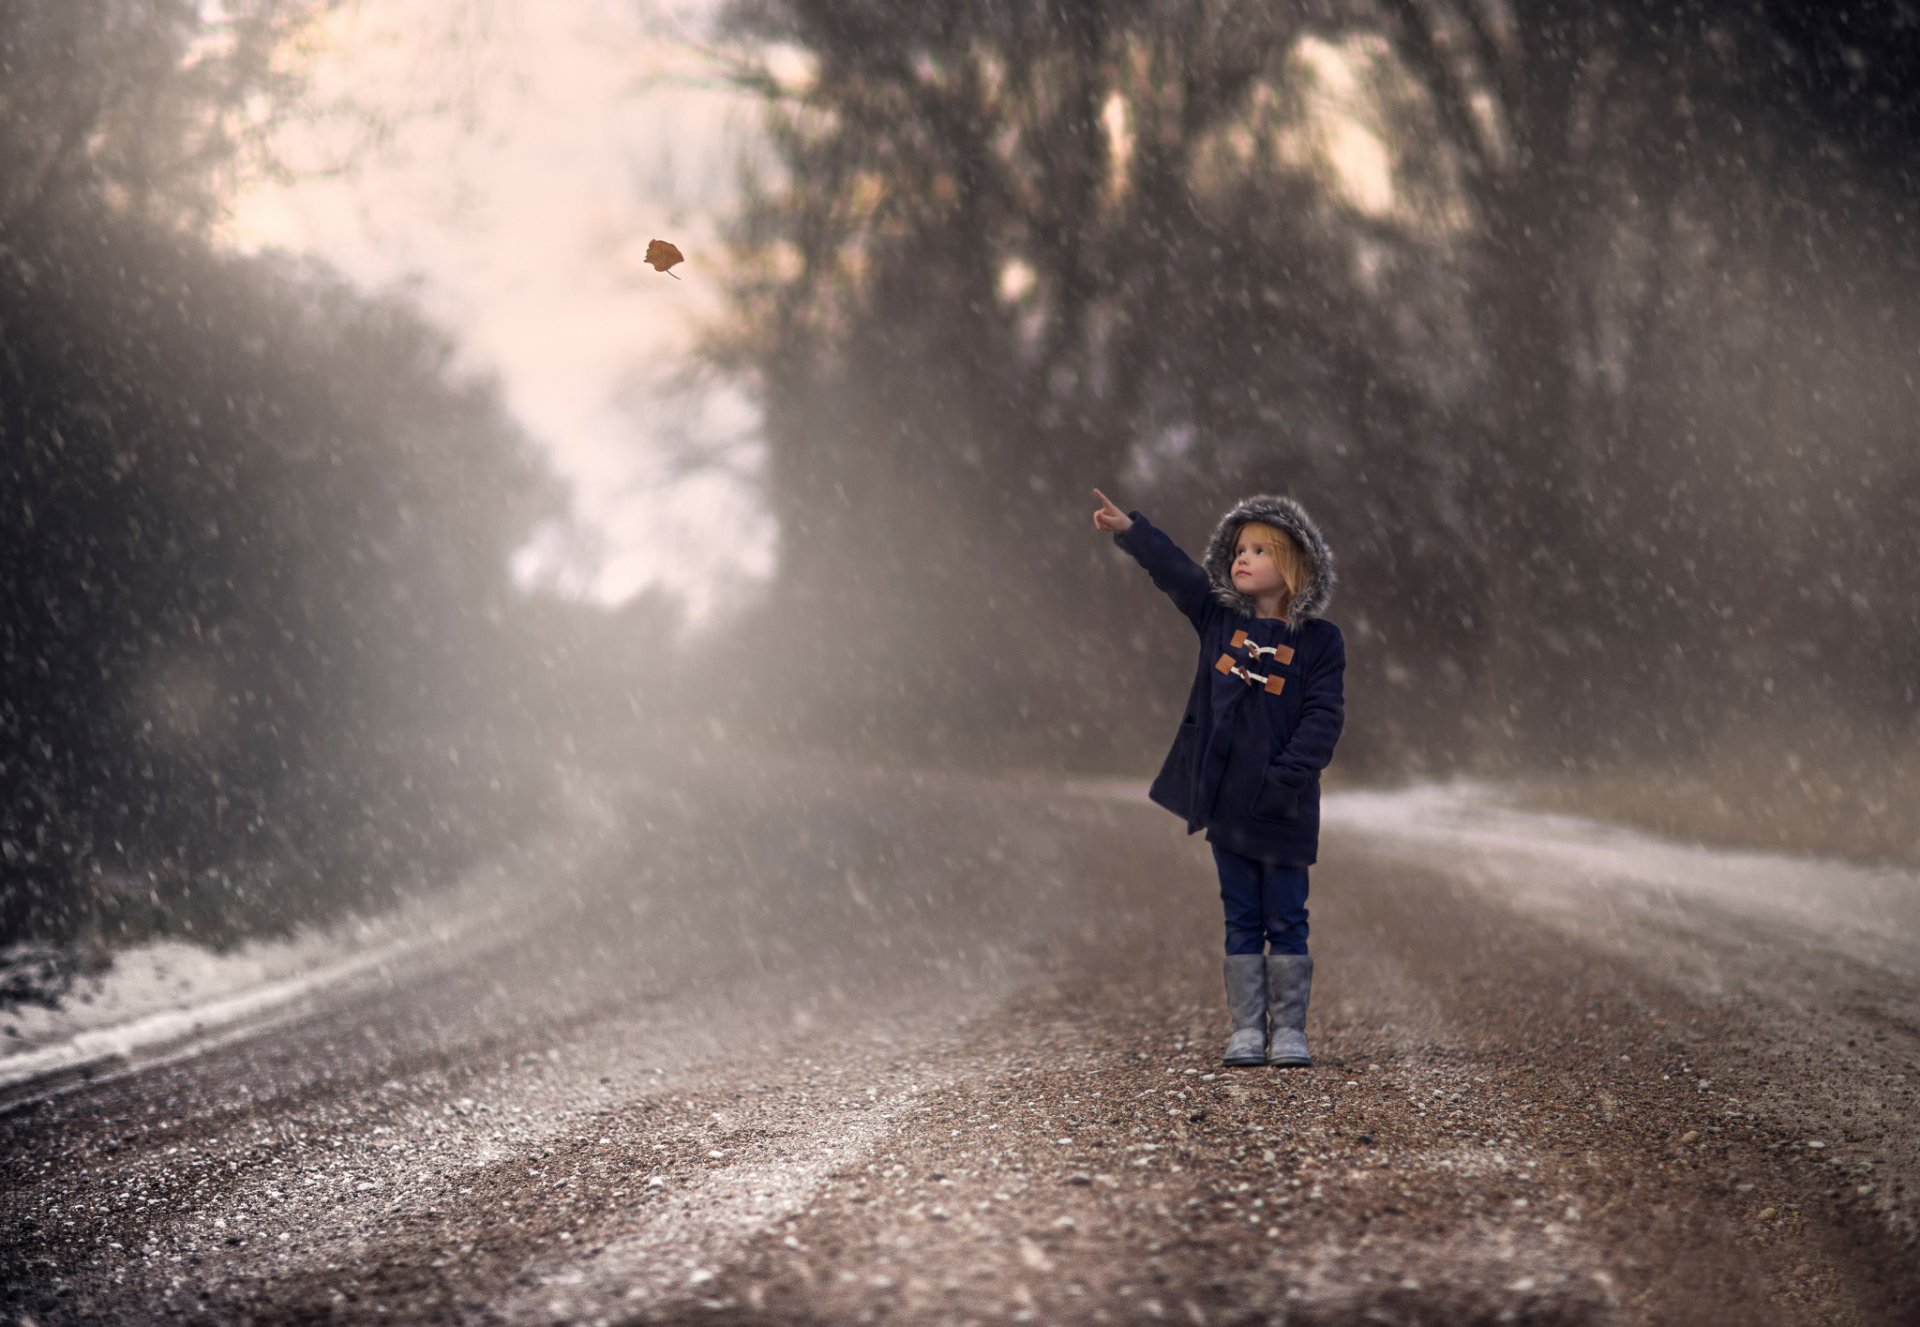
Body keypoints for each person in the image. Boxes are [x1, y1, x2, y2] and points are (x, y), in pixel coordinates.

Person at [1091, 487, 1346, 1068]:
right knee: (1241, 917)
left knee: (1286, 917)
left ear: (1294, 567)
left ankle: (1289, 1032)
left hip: (1285, 808)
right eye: (1238, 548)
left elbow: (1323, 717)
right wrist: (1132, 531)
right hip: (1228, 807)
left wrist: (1287, 778)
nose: (1242, 557)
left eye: (1260, 549)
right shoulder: (1219, 621)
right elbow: (1178, 573)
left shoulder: (1319, 642)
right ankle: (1245, 1032)